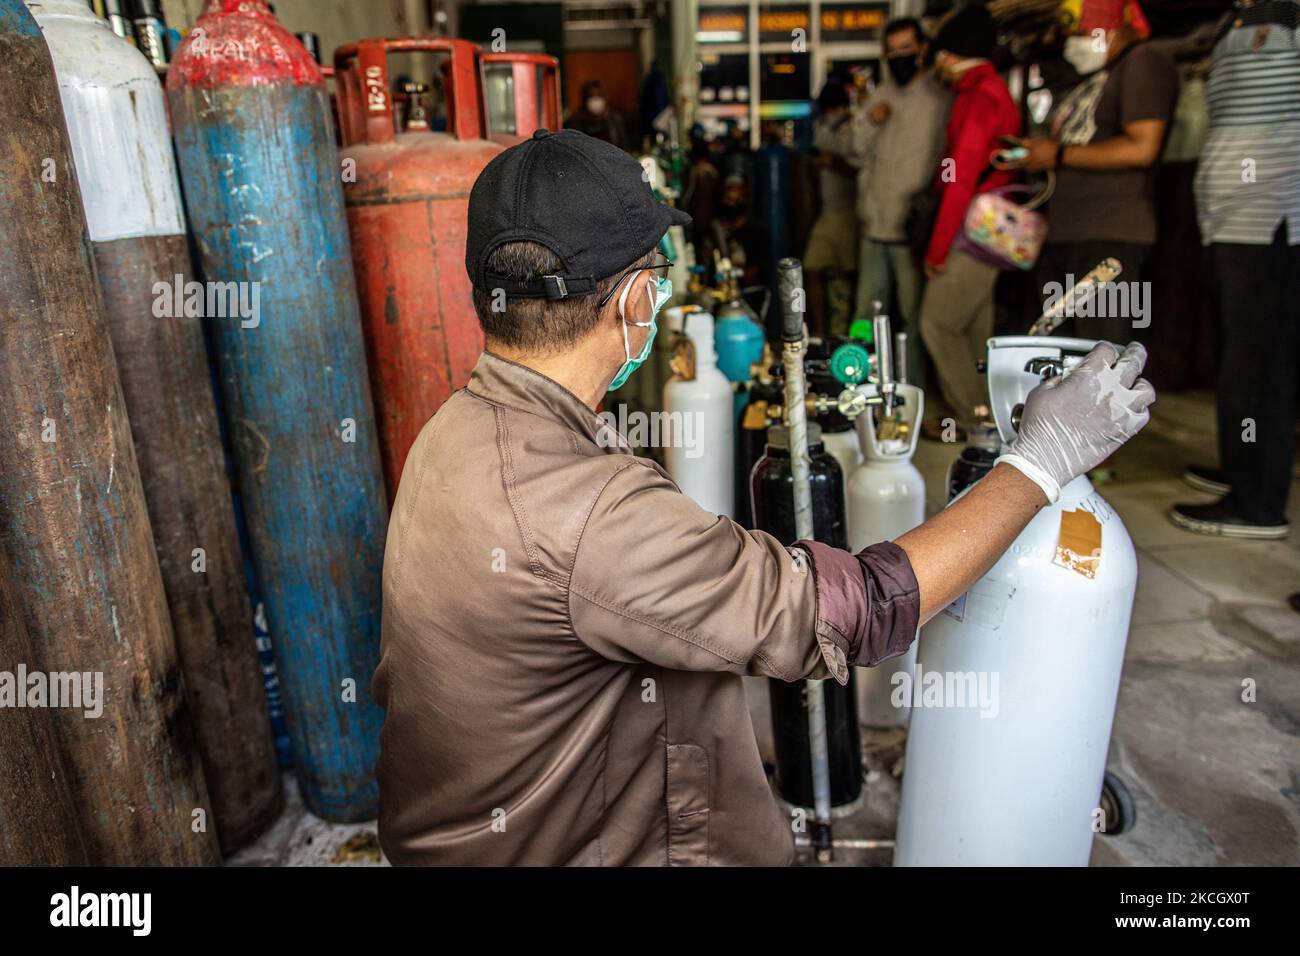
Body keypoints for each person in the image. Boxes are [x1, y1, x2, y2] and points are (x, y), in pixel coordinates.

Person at [372, 128, 1155, 866]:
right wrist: (1040, 462)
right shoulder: (588, 510)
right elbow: (846, 613)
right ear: (633, 303)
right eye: (657, 270)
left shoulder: (452, 429)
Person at [1170, 0, 1298, 540]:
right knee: (1240, 365)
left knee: (1257, 371)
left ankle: (1258, 502)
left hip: (1269, 222)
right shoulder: (1236, 19)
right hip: (1233, 224)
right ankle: (1243, 469)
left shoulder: (1287, 18)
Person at [1004, 17, 1178, 340]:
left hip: (1110, 236)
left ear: (1114, 29)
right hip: (1067, 234)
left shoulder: (1145, 60)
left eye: (1083, 33)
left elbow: (1143, 147)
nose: (1074, 42)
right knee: (1064, 355)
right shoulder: (1094, 77)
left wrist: (1056, 154)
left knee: (1103, 355)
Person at [917, 4, 1021, 435]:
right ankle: (992, 420)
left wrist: (937, 248)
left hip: (974, 230)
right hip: (997, 230)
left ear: (951, 53)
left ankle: (971, 418)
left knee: (937, 322)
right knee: (977, 329)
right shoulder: (994, 90)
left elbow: (959, 180)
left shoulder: (978, 97)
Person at [851, 16, 950, 389]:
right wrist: (869, 122)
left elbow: (948, 164)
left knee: (913, 319)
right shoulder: (881, 96)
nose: (898, 58)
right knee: (865, 313)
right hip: (874, 228)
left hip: (912, 233)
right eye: (891, 52)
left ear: (923, 49)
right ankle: (857, 386)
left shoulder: (940, 98)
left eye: (906, 50)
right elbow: (855, 151)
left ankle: (910, 393)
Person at [802, 78, 860, 337]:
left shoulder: (855, 128)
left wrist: (832, 162)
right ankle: (821, 332)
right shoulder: (823, 129)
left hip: (850, 211)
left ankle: (847, 334)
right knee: (813, 267)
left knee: (848, 276)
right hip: (827, 211)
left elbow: (863, 170)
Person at [566, 79, 626, 150]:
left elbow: (623, 146)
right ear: (585, 99)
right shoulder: (576, 122)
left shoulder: (613, 119)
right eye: (591, 96)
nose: (596, 100)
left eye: (599, 96)